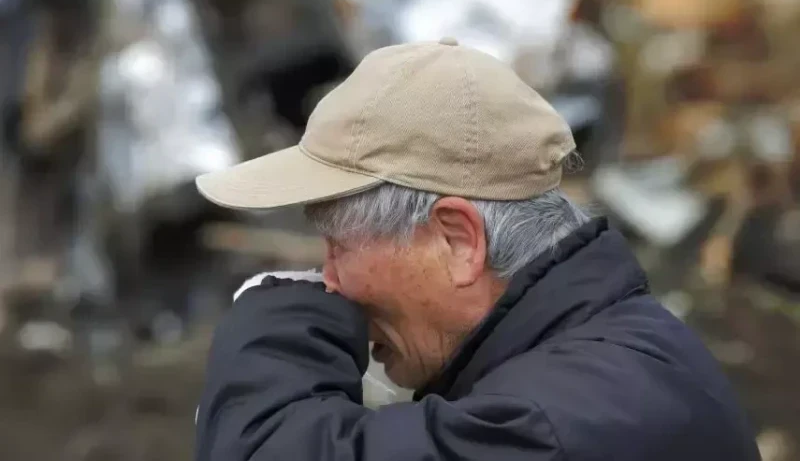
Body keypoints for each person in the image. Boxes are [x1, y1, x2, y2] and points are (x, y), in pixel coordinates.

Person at [194, 38, 759, 461]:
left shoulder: (552, 425)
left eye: (340, 245)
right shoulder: (599, 360)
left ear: (458, 241)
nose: (329, 278)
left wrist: (279, 317)